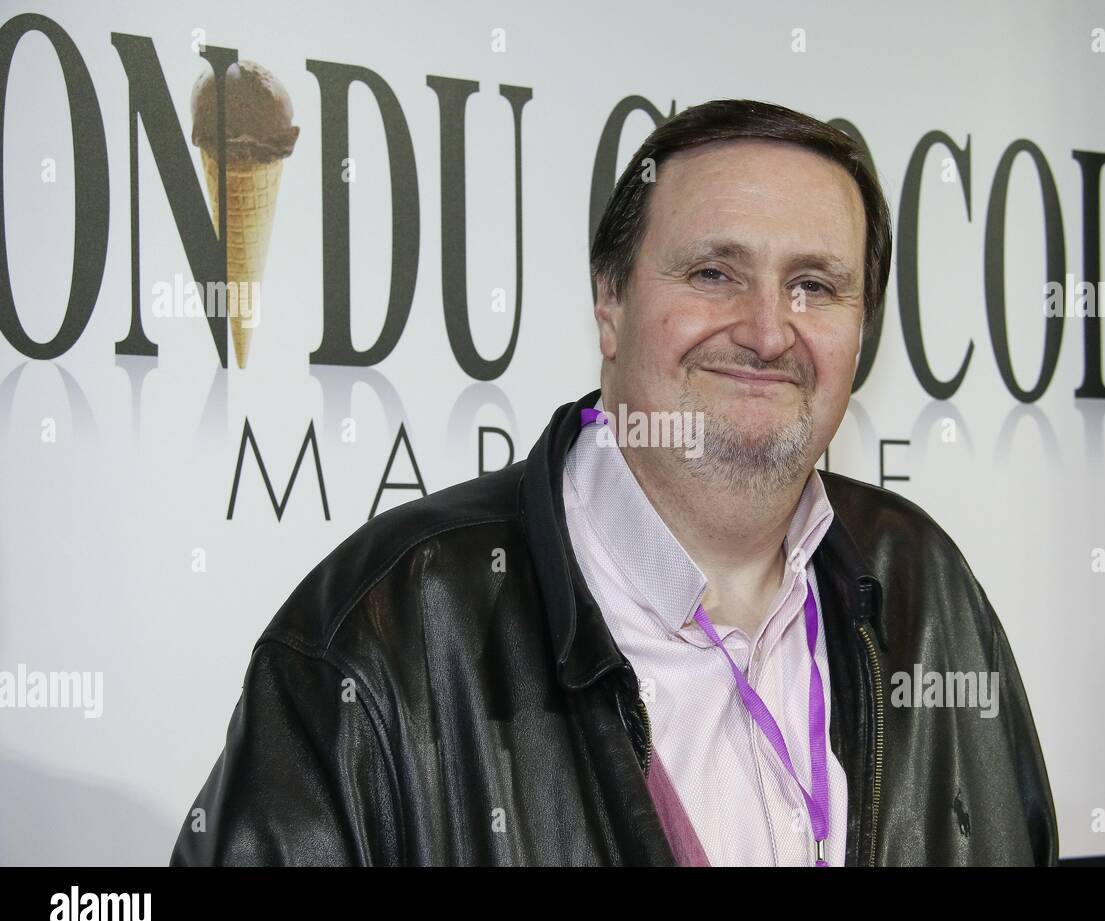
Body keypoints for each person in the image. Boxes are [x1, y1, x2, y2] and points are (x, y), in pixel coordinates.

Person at [171, 98, 1057, 866]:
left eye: (816, 286)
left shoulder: (925, 587)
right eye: (714, 273)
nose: (766, 330)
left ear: (860, 335)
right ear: (609, 302)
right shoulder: (383, 631)